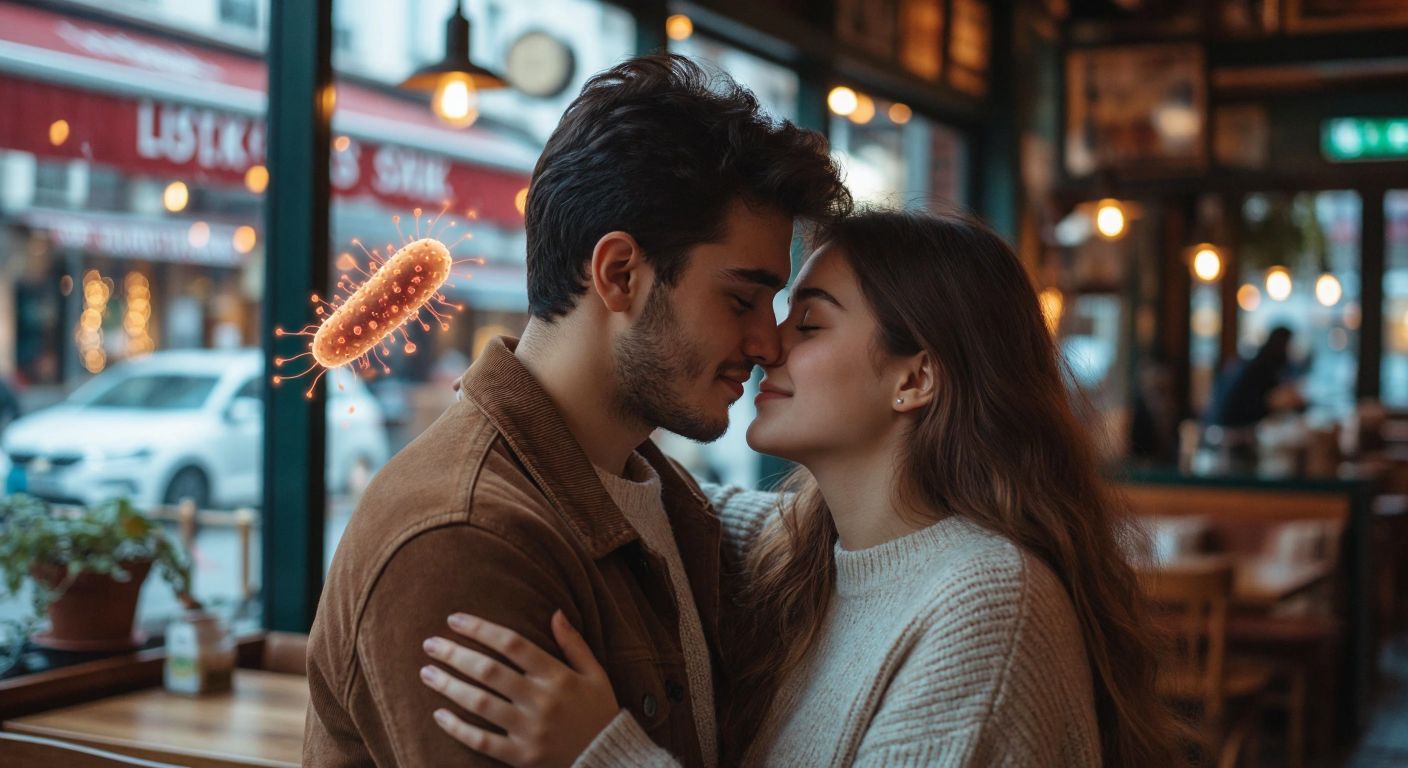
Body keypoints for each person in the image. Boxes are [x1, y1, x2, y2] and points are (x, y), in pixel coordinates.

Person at [419, 209, 1183, 766]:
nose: (766, 344)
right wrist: (527, 391)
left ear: (915, 378)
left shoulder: (988, 601)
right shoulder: (808, 546)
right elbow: (631, 481)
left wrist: (602, 755)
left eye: (809, 324)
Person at [303, 53, 850, 766]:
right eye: (742, 298)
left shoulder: (663, 499)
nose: (766, 340)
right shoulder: (465, 538)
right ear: (619, 274)